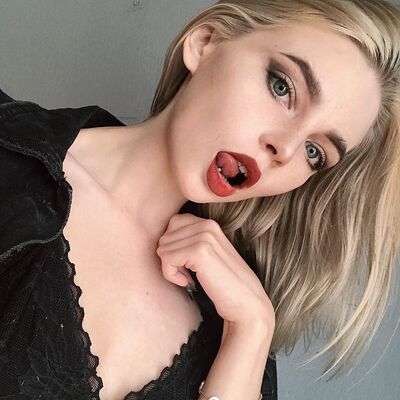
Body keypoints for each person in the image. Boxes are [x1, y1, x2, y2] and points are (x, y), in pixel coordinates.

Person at [0, 0, 399, 399]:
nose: (286, 148)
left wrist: (252, 329)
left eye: (315, 151)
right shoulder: (11, 160)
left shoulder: (232, 324)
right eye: (283, 87)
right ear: (205, 42)